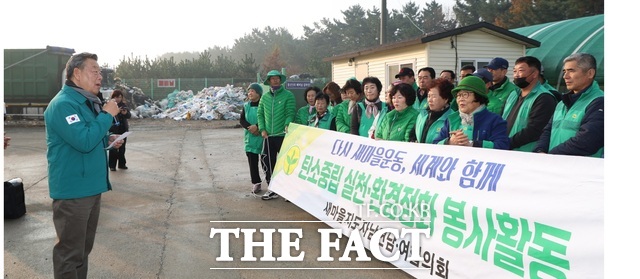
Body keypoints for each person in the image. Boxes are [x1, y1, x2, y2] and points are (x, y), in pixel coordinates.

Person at [43, 52, 123, 278]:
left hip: (90, 187)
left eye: (100, 72)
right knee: (70, 254)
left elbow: (88, 135)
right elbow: (84, 141)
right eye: (94, 71)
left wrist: (107, 140)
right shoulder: (63, 105)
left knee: (82, 251)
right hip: (73, 192)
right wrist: (107, 115)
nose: (100, 76)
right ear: (76, 73)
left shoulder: (85, 102)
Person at [534, 53, 604, 157]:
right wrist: (540, 151)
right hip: (555, 166)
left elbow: (587, 141)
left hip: (579, 170)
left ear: (590, 73)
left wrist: (551, 156)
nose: (565, 76)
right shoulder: (562, 103)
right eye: (564, 71)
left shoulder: (599, 102)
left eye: (571, 71)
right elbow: (548, 130)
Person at [433, 75, 509, 149]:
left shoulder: (495, 120)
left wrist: (472, 144)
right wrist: (449, 142)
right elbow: (435, 144)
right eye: (458, 95)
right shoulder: (451, 119)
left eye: (465, 94)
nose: (460, 99)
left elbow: (502, 145)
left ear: (478, 96)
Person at [502, 56, 557, 152]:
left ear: (535, 73)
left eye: (521, 71)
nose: (516, 75)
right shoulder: (513, 94)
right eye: (515, 71)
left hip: (525, 153)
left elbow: (534, 130)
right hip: (505, 150)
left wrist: (507, 143)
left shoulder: (544, 97)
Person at [257, 70, 297, 200]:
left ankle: (288, 191)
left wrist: (287, 124)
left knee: (287, 164)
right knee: (268, 163)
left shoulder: (288, 95)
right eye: (272, 79)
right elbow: (260, 114)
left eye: (277, 78)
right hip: (268, 136)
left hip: (283, 135)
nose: (275, 80)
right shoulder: (264, 97)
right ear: (268, 81)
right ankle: (272, 188)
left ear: (280, 80)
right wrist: (262, 129)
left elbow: (290, 112)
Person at [239, 83, 268, 194]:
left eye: (253, 91)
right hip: (250, 137)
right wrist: (250, 128)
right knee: (252, 162)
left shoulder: (264, 105)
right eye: (249, 91)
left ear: (259, 94)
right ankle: (256, 183)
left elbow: (266, 118)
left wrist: (257, 126)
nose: (250, 93)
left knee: (266, 161)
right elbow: (242, 120)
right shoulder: (246, 106)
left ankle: (270, 182)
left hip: (261, 136)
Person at [410, 78, 455, 144]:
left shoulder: (453, 119)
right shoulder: (422, 115)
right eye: (428, 96)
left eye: (433, 96)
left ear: (445, 99)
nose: (430, 100)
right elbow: (412, 136)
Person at [108, 89, 131, 171]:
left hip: (123, 129)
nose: (118, 99)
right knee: (113, 148)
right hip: (113, 129)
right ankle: (112, 166)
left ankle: (122, 164)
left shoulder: (123, 106)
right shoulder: (109, 106)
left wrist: (125, 113)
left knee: (122, 148)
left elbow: (129, 115)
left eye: (119, 97)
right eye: (116, 97)